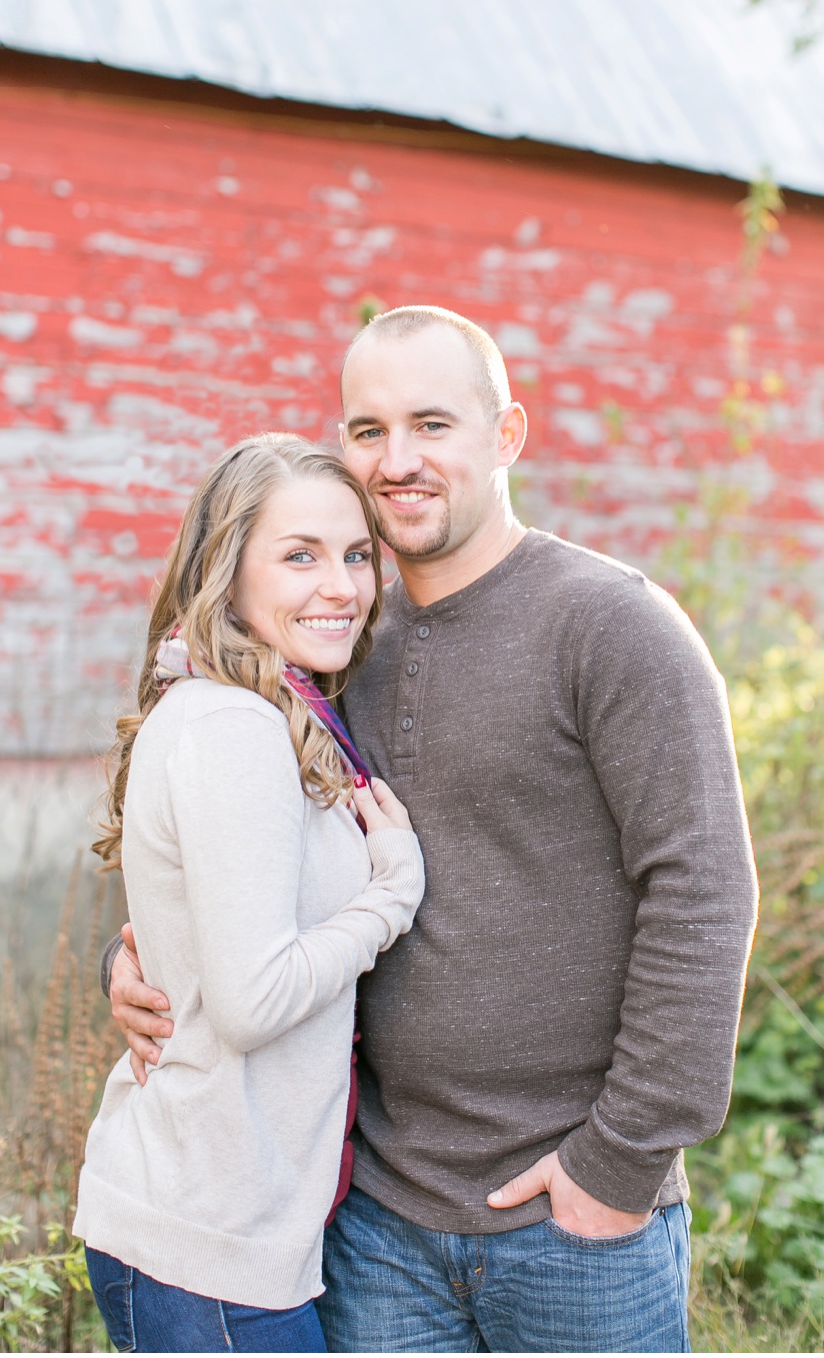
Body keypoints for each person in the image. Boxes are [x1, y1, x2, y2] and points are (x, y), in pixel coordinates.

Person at [105, 307, 759, 1353]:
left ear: (505, 436)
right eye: (366, 430)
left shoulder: (610, 625)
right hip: (376, 1221)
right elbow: (225, 842)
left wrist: (618, 1163)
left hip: (568, 1218)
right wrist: (134, 956)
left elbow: (704, 893)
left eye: (430, 424)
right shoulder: (332, 640)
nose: (395, 460)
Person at [75, 434, 426, 1354]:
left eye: (356, 555)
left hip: (229, 1228)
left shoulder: (271, 707)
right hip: (206, 1244)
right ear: (227, 574)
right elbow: (252, 998)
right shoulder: (236, 727)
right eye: (299, 556)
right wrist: (393, 893)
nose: (341, 586)